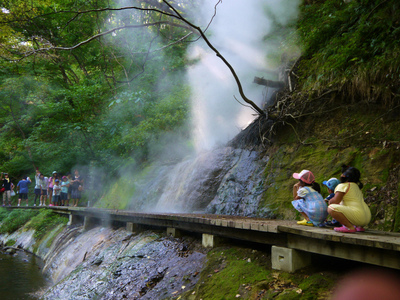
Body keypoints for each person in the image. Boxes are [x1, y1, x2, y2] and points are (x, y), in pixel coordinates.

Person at [327, 166, 371, 233]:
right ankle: (358, 226)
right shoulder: (356, 187)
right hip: (367, 217)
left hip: (358, 217)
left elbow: (335, 201)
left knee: (331, 208)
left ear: (344, 176)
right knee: (347, 204)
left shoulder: (343, 186)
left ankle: (349, 227)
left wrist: (330, 201)